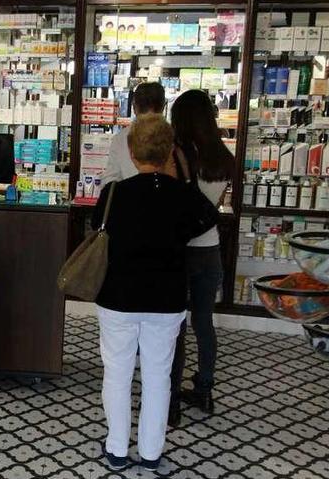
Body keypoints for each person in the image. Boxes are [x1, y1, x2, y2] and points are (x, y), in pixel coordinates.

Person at [92, 114, 218, 472]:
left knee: (116, 374)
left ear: (132, 152)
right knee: (158, 377)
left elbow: (96, 228)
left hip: (118, 297)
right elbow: (206, 219)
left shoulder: (114, 194)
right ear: (169, 153)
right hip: (166, 298)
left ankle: (116, 448)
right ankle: (151, 452)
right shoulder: (182, 196)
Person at [169, 89, 236, 417]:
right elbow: (216, 204)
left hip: (182, 250)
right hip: (210, 250)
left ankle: (171, 391)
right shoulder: (224, 156)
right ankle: (204, 389)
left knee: (176, 324)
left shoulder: (179, 155)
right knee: (203, 322)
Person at [101, 82, 185, 187]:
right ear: (163, 106)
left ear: (134, 107)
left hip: (129, 200)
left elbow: (110, 180)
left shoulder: (121, 138)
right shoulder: (173, 136)